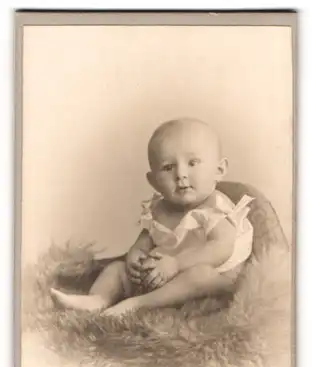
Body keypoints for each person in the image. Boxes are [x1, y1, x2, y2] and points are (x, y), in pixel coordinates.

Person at [50, 118, 254, 316]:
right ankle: (97, 300)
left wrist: (175, 264)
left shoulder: (216, 208)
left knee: (201, 275)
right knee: (117, 269)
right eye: (167, 167)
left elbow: (220, 250)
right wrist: (136, 256)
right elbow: (146, 240)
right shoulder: (158, 209)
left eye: (193, 163)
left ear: (219, 170)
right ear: (154, 181)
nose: (181, 174)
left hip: (209, 275)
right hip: (163, 272)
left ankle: (138, 304)